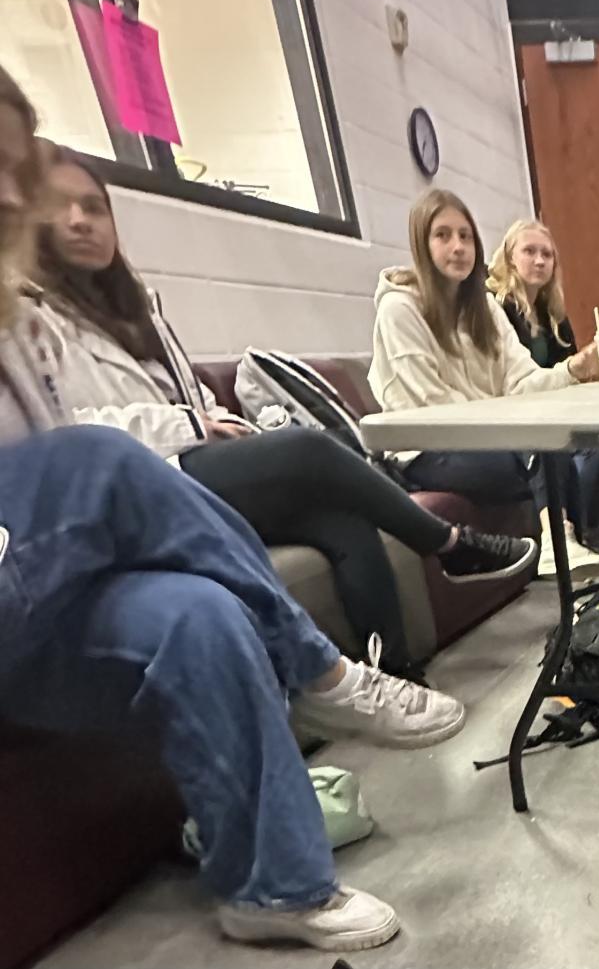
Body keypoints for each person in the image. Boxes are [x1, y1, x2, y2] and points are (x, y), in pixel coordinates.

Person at [0, 63, 453, 949]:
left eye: (13, 171)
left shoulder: (28, 322)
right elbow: (84, 453)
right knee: (108, 457)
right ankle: (322, 669)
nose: (14, 198)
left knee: (203, 613)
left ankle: (272, 886)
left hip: (49, 599)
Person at [32, 145, 538, 679]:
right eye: (61, 206)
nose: (79, 220)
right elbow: (62, 434)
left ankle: (397, 672)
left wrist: (220, 424)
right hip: (131, 486)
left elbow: (194, 396)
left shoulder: (141, 310)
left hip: (192, 466)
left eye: (94, 207)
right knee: (309, 448)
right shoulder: (29, 321)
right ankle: (448, 542)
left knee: (345, 521)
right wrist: (191, 424)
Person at [369, 190, 599, 571]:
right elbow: (429, 409)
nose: (458, 247)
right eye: (443, 235)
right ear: (421, 244)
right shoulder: (399, 309)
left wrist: (572, 371)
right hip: (425, 449)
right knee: (540, 447)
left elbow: (521, 380)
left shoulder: (486, 308)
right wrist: (506, 428)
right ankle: (558, 545)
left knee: (555, 441)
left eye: (465, 236)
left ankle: (565, 544)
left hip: (483, 438)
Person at [487, 219, 599, 560]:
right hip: (514, 413)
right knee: (563, 445)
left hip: (554, 409)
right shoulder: (497, 309)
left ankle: (590, 533)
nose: (539, 261)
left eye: (547, 254)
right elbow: (513, 383)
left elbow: (571, 371)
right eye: (529, 251)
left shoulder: (553, 313)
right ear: (509, 257)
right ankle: (568, 538)